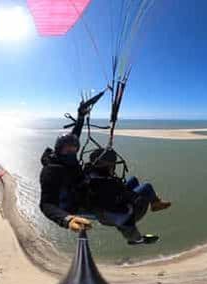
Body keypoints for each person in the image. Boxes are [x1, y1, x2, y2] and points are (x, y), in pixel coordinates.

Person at [38, 91, 105, 234]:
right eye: (67, 150)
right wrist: (67, 219)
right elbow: (46, 204)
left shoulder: (68, 160)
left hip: (79, 191)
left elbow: (75, 135)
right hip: (70, 206)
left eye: (74, 149)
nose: (71, 153)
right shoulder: (51, 170)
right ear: (58, 150)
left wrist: (81, 116)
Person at [83, 148, 172, 245]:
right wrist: (137, 196)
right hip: (124, 211)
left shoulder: (90, 174)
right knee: (147, 187)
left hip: (106, 206)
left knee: (134, 180)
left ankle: (154, 201)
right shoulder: (110, 183)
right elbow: (127, 196)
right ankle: (155, 204)